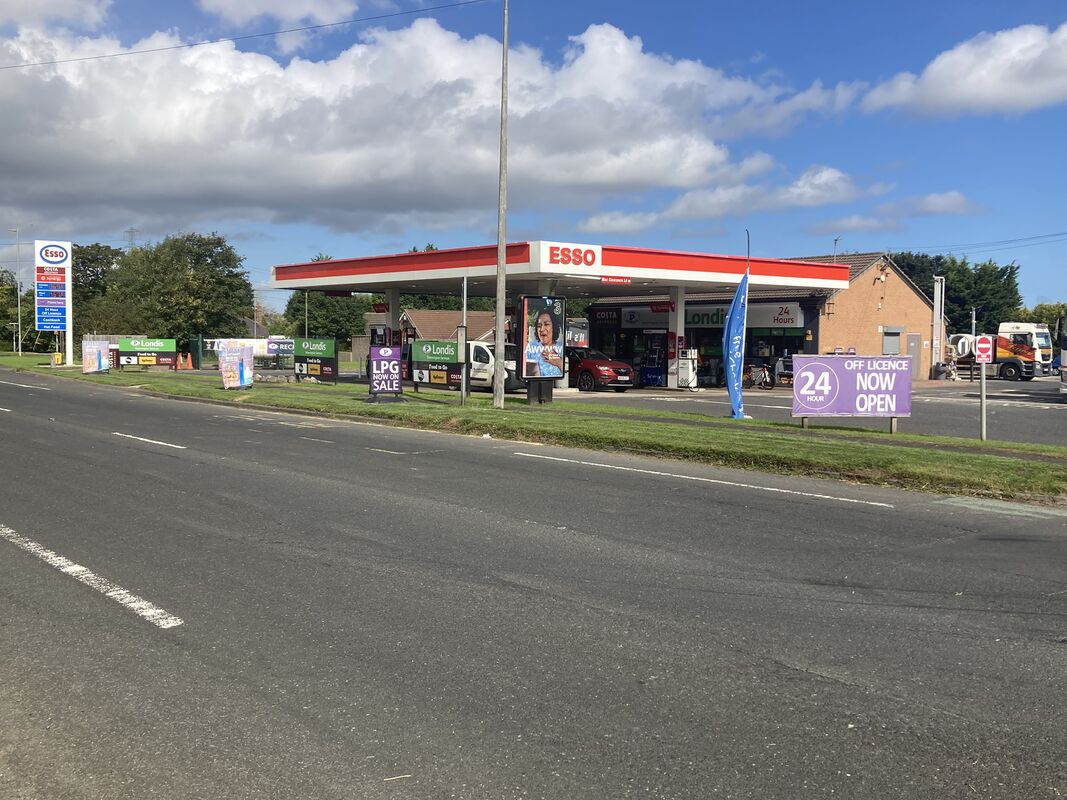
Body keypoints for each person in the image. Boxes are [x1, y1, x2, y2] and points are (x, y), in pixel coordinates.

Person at [524, 305, 564, 378]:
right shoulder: (531, 347)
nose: (542, 329)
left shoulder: (561, 348)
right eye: (539, 325)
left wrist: (558, 362)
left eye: (546, 324)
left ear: (554, 327)